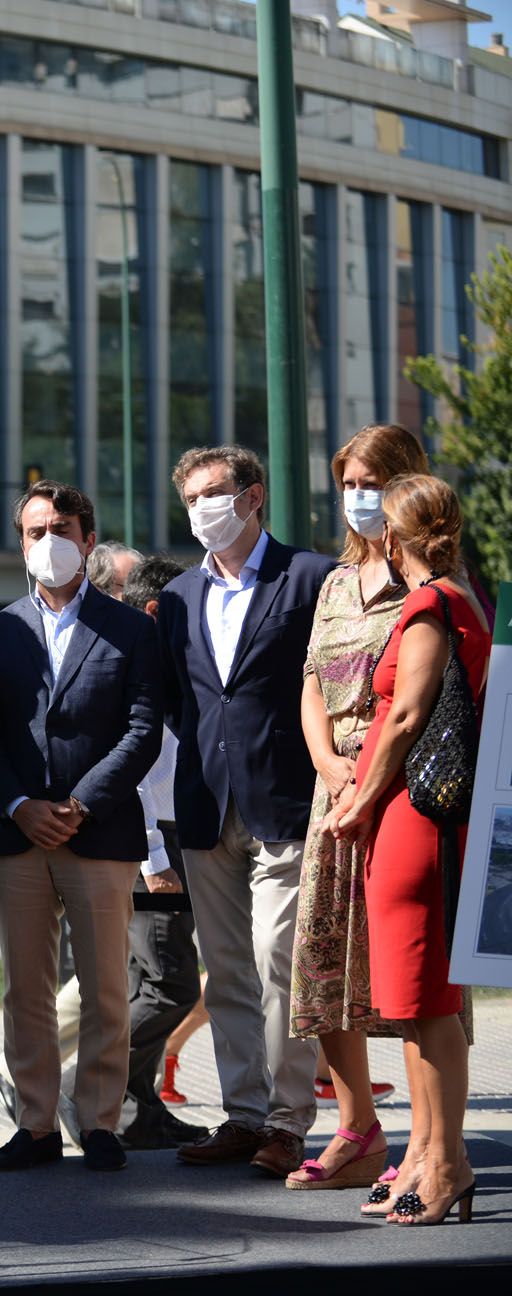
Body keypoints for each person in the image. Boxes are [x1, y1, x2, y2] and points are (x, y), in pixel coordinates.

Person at [0, 480, 161, 1174]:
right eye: (32, 531)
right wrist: (21, 804)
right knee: (26, 987)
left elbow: (142, 731)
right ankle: (37, 1123)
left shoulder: (132, 628)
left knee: (109, 984)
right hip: (18, 834)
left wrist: (80, 802)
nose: (45, 542)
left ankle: (101, 1120)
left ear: (86, 536)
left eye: (59, 528)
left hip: (98, 830)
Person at [159, 445, 334, 1178]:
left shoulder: (311, 577)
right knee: (226, 967)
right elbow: (178, 698)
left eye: (214, 492)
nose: (202, 508)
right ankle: (243, 1114)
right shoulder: (176, 598)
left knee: (277, 959)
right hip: (206, 805)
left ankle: (289, 1120)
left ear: (253, 495)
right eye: (191, 497)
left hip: (286, 801)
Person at [322, 473, 489, 1226]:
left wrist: (357, 800)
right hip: (406, 818)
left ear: (393, 537)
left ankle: (447, 1159)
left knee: (428, 1003)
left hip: (416, 817)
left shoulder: (430, 603)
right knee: (416, 1003)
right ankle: (425, 1150)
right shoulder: (454, 598)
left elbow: (406, 718)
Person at [282, 425, 429, 1190]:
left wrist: (364, 775)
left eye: (373, 480)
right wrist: (328, 763)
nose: (358, 496)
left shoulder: (428, 582)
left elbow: (418, 704)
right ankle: (356, 1128)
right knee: (322, 960)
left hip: (397, 790)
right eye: (347, 482)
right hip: (333, 789)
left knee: (404, 970)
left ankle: (430, 1142)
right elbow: (310, 683)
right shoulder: (337, 580)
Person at [115, 554, 211, 1150]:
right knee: (168, 986)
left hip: (173, 838)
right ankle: (89, 1084)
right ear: (158, 611)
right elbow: (134, 775)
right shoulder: (141, 671)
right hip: (156, 845)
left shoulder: (159, 665)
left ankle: (135, 1108)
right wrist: (155, 861)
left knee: (141, 983)